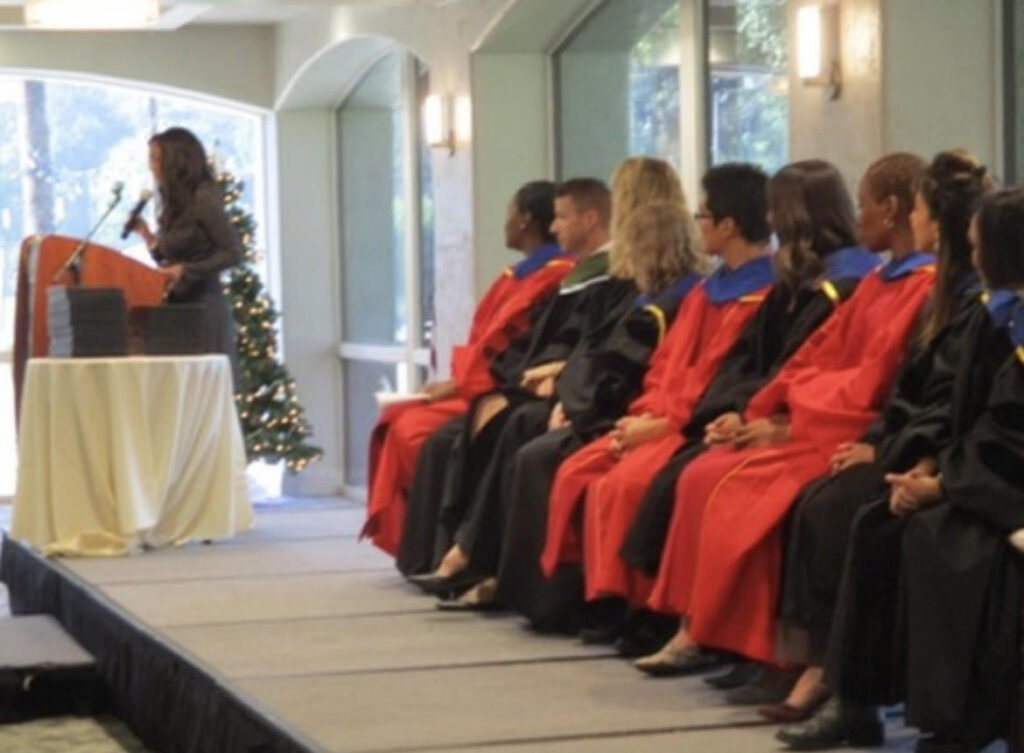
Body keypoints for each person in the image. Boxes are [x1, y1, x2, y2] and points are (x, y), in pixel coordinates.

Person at [638, 155, 939, 683]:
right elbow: (815, 355)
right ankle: (719, 635)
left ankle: (768, 650)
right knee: (707, 475)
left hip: (849, 428)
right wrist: (765, 407)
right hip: (820, 418)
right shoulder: (874, 283)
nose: (770, 225)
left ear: (891, 211)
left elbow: (876, 378)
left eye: (866, 205)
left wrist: (792, 418)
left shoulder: (907, 284)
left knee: (747, 489)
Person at [579, 159, 879, 663]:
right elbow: (769, 363)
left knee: (712, 483)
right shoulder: (804, 280)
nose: (771, 223)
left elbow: (847, 374)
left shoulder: (847, 282)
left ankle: (735, 641)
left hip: (823, 429)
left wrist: (770, 420)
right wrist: (743, 412)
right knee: (684, 476)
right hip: (769, 416)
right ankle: (684, 623)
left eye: (776, 211)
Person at [494, 163, 776, 633]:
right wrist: (642, 411)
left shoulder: (755, 293)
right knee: (577, 469)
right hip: (658, 410)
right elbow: (665, 367)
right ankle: (597, 598)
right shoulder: (707, 292)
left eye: (703, 216)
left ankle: (646, 611)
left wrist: (661, 421)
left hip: (694, 422)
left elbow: (718, 380)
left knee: (620, 483)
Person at [770, 150, 992, 744]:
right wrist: (882, 446)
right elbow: (913, 392)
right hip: (929, 451)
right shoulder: (947, 295)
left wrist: (916, 464)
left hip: (966, 468)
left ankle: (867, 697)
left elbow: (961, 409)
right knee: (836, 504)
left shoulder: (977, 305)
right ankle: (846, 691)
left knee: (859, 516)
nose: (914, 220)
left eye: (920, 208)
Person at [413, 157, 701, 599]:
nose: (555, 227)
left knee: (519, 430)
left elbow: (626, 361)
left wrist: (569, 389)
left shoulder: (666, 292)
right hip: (599, 396)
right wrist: (554, 378)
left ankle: (493, 569)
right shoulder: (622, 283)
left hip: (622, 407)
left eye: (564, 216)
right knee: (486, 421)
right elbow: (590, 347)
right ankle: (469, 556)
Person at [397, 177, 628, 579]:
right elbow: (542, 343)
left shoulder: (608, 281)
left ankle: (479, 560)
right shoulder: (579, 278)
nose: (554, 228)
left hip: (582, 398)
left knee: (504, 425)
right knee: (455, 432)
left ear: (591, 219)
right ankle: (448, 554)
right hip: (545, 385)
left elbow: (594, 350)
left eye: (562, 217)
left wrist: (557, 383)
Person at [360, 181, 573, 555]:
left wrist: (462, 386)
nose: (504, 221)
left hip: (498, 389)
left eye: (509, 212)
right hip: (477, 383)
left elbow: (516, 352)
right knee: (398, 420)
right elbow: (484, 344)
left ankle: (436, 544)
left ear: (524, 220)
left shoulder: (557, 276)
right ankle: (422, 545)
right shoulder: (517, 275)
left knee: (412, 430)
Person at [131, 126, 243, 381]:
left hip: (204, 310)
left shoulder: (203, 197)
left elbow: (233, 252)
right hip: (177, 309)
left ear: (175, 161)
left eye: (156, 158)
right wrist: (148, 237)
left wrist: (187, 270)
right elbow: (170, 261)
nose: (151, 166)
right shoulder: (174, 204)